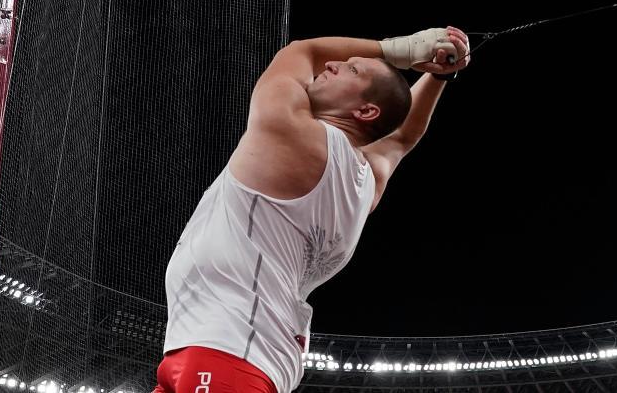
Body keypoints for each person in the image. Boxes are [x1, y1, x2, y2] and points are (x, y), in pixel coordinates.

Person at [152, 26, 471, 393]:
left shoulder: (290, 129)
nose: (333, 64)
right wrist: (439, 76)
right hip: (221, 349)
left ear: (366, 110)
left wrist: (403, 49)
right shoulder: (367, 179)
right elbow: (400, 137)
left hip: (229, 349)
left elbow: (303, 52)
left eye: (352, 69)